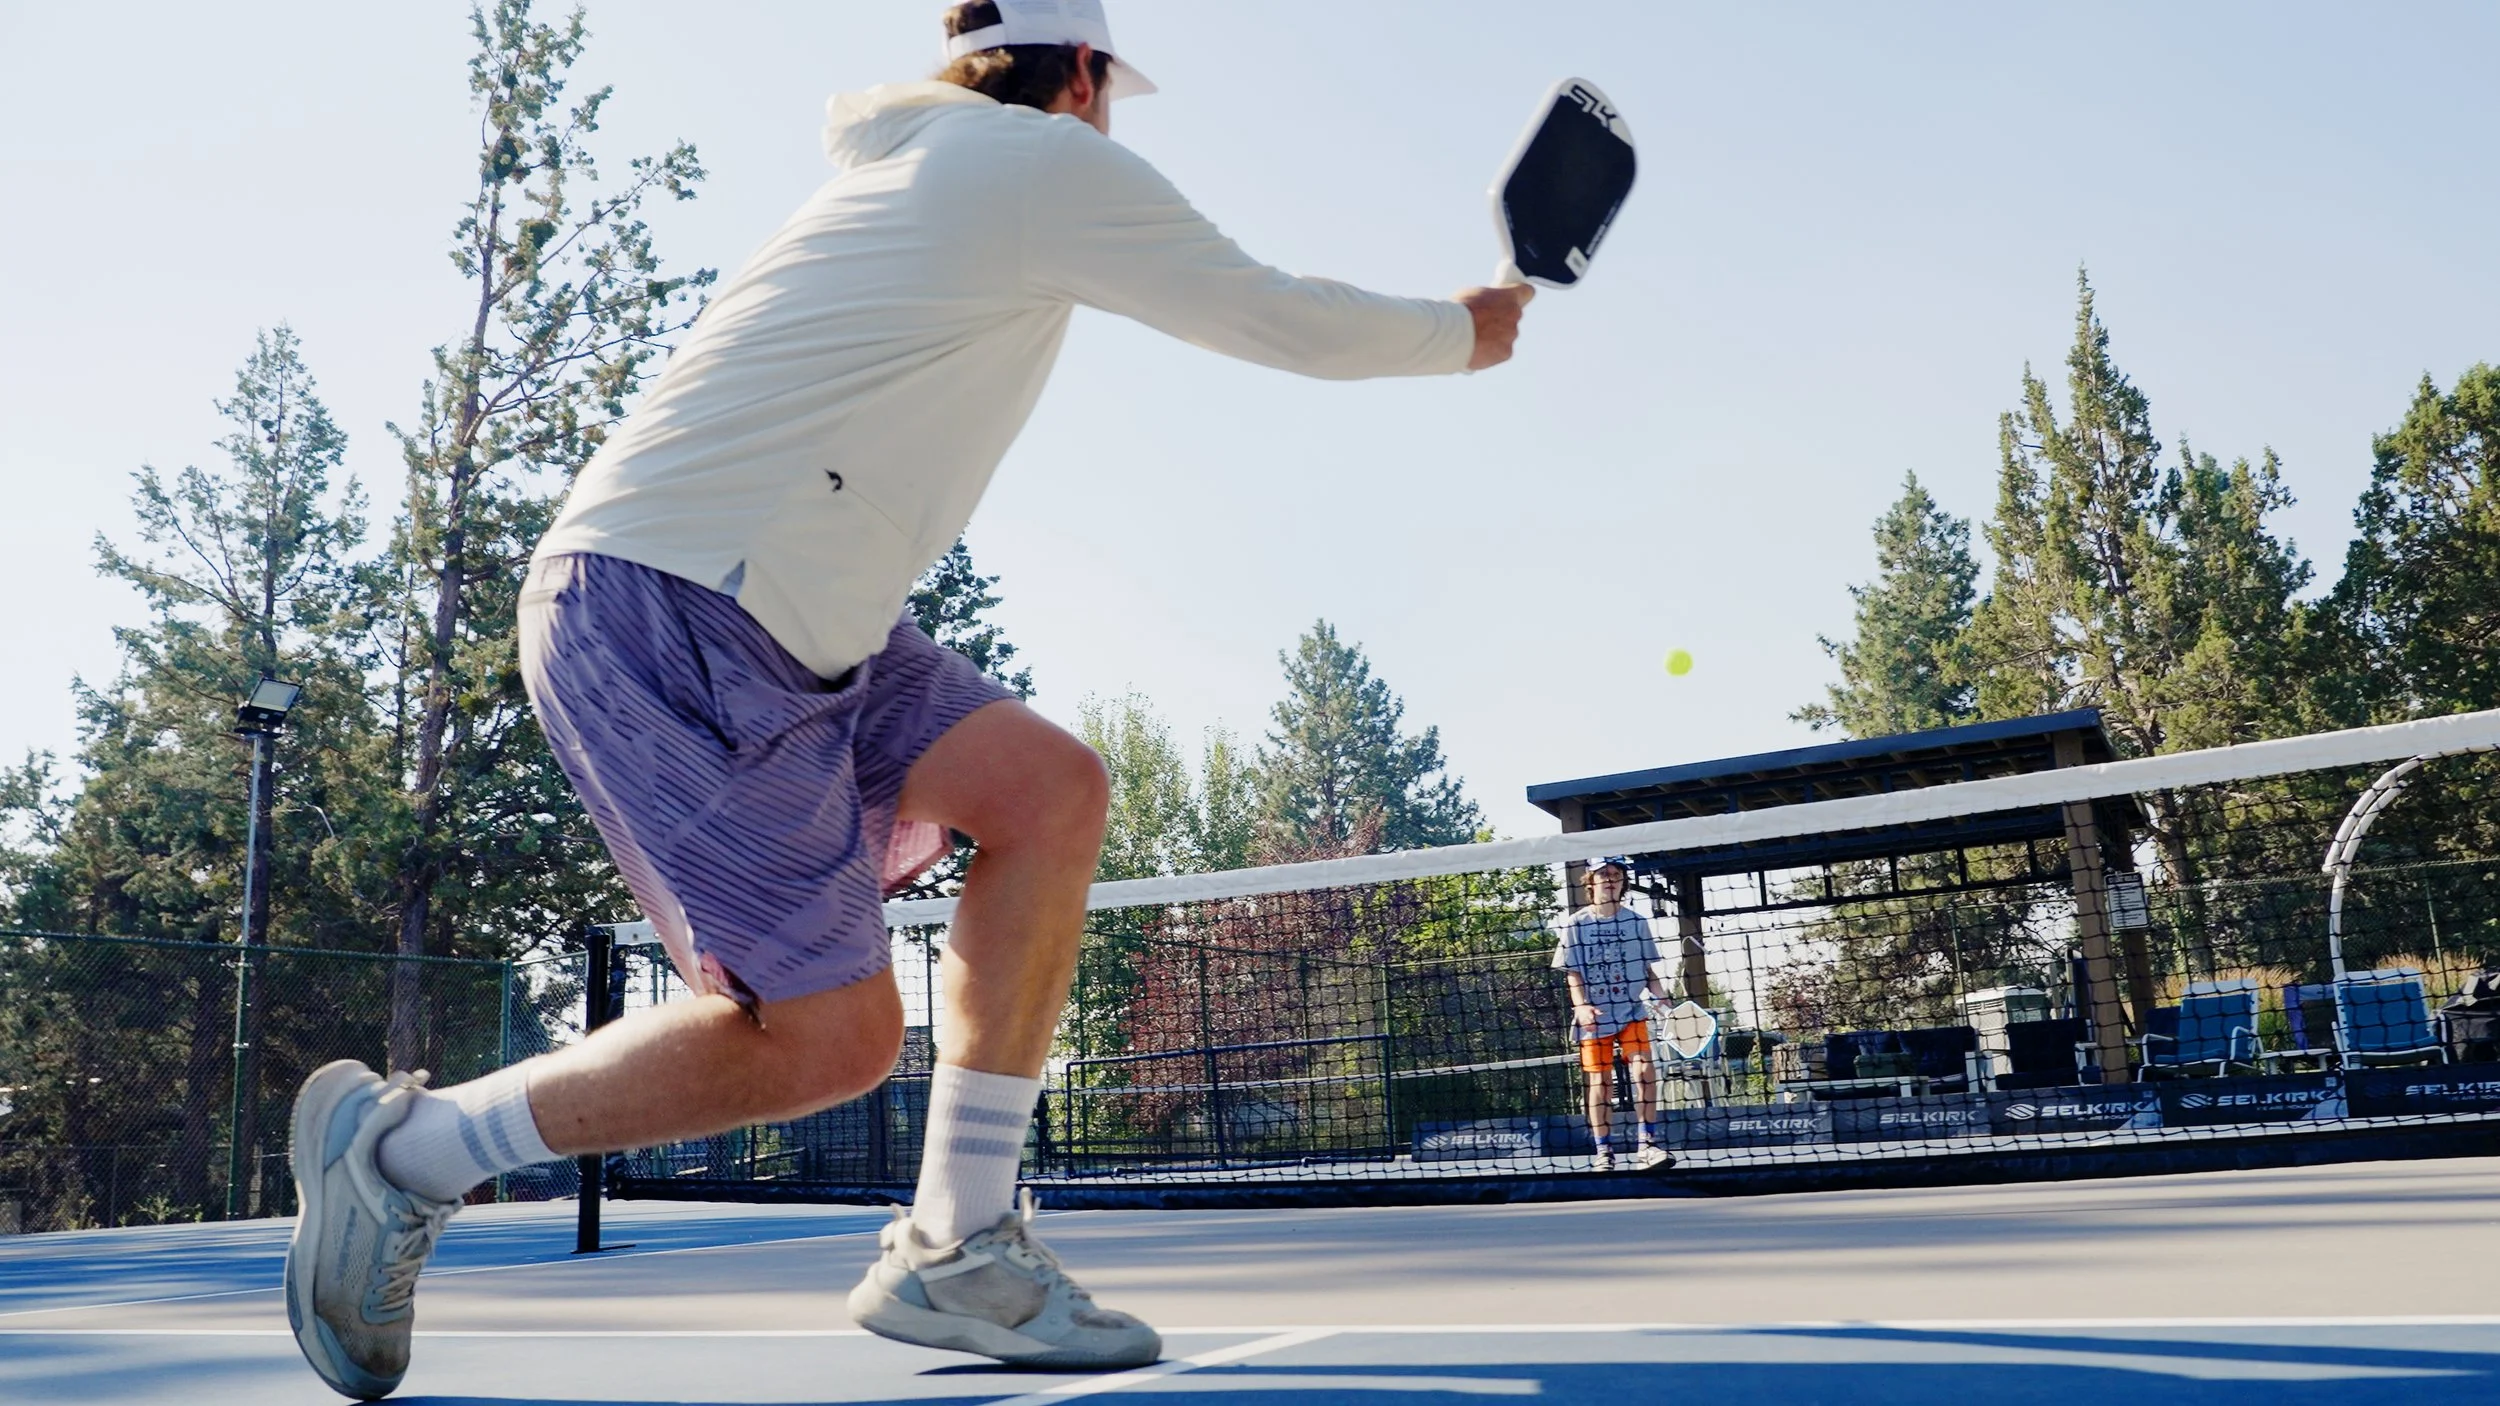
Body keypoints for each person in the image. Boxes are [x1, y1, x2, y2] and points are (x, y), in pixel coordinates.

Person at [280, 0, 1533, 1397]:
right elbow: (1273, 314)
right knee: (832, 1038)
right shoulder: (1035, 160)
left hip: (795, 603)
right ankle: (405, 1153)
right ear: (1085, 76)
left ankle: (958, 1242)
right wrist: (1464, 330)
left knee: (1048, 792)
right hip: (680, 601)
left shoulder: (914, 167)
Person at [1552, 860, 1673, 1171]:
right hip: (1594, 1015)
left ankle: (1647, 1145)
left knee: (1645, 1070)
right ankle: (1603, 1152)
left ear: (1623, 883)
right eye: (1603, 874)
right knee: (1600, 1083)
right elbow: (1573, 975)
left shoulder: (1637, 923)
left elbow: (1648, 973)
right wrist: (1580, 1006)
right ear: (1590, 882)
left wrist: (1662, 1000)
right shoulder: (1575, 924)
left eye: (1616, 875)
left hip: (1631, 1012)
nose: (1610, 879)